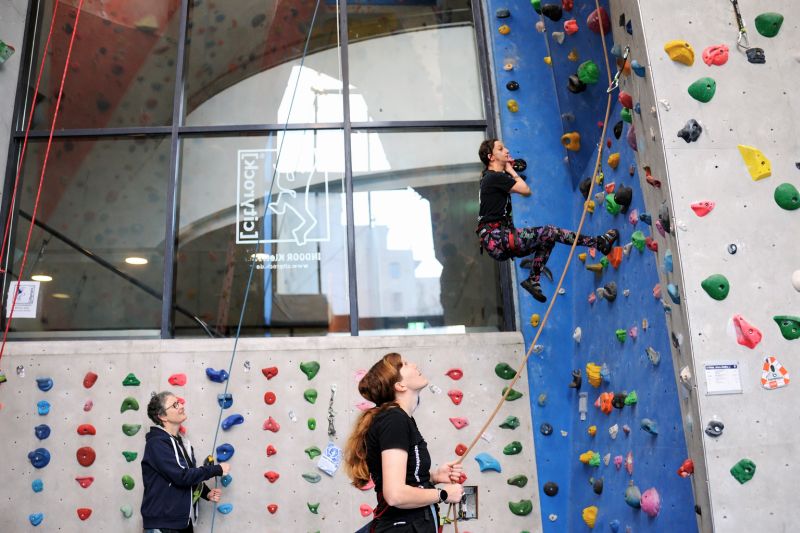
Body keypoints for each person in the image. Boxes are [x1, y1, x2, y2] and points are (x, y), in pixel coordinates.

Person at [476, 138, 619, 302]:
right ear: (491, 157)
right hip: (499, 239)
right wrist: (511, 170)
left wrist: (509, 168)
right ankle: (599, 242)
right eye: (501, 149)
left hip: (498, 242)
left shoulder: (490, 178)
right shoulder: (493, 178)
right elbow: (525, 189)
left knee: (547, 239)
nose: (506, 150)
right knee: (550, 231)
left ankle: (533, 279)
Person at [345, 353, 465, 533]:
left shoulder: (401, 419)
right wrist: (443, 494)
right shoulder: (394, 420)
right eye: (405, 364)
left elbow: (403, 479)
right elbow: (395, 495)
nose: (414, 364)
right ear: (400, 385)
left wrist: (434, 477)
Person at [141, 391, 230, 533]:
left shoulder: (182, 443)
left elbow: (186, 476)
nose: (181, 406)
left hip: (181, 522)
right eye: (175, 405)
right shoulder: (157, 444)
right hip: (164, 525)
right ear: (162, 416)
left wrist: (205, 493)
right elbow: (181, 476)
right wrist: (216, 469)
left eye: (180, 402)